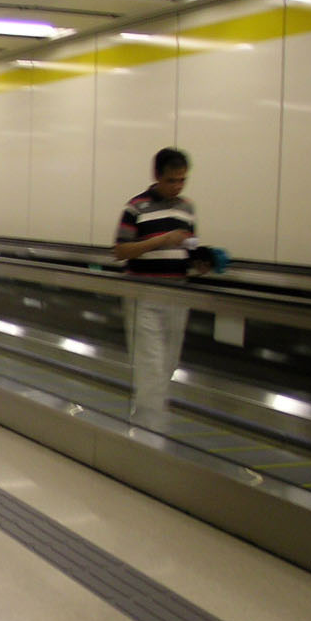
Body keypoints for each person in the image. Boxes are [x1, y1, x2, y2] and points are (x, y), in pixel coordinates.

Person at [113, 147, 209, 428]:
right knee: (150, 367)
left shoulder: (187, 208)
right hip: (144, 296)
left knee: (167, 366)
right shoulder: (135, 208)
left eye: (182, 180)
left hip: (177, 296)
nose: (177, 187)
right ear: (156, 176)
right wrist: (159, 241)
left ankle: (151, 424)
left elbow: (189, 249)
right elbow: (120, 250)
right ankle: (147, 430)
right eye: (171, 181)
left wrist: (201, 263)